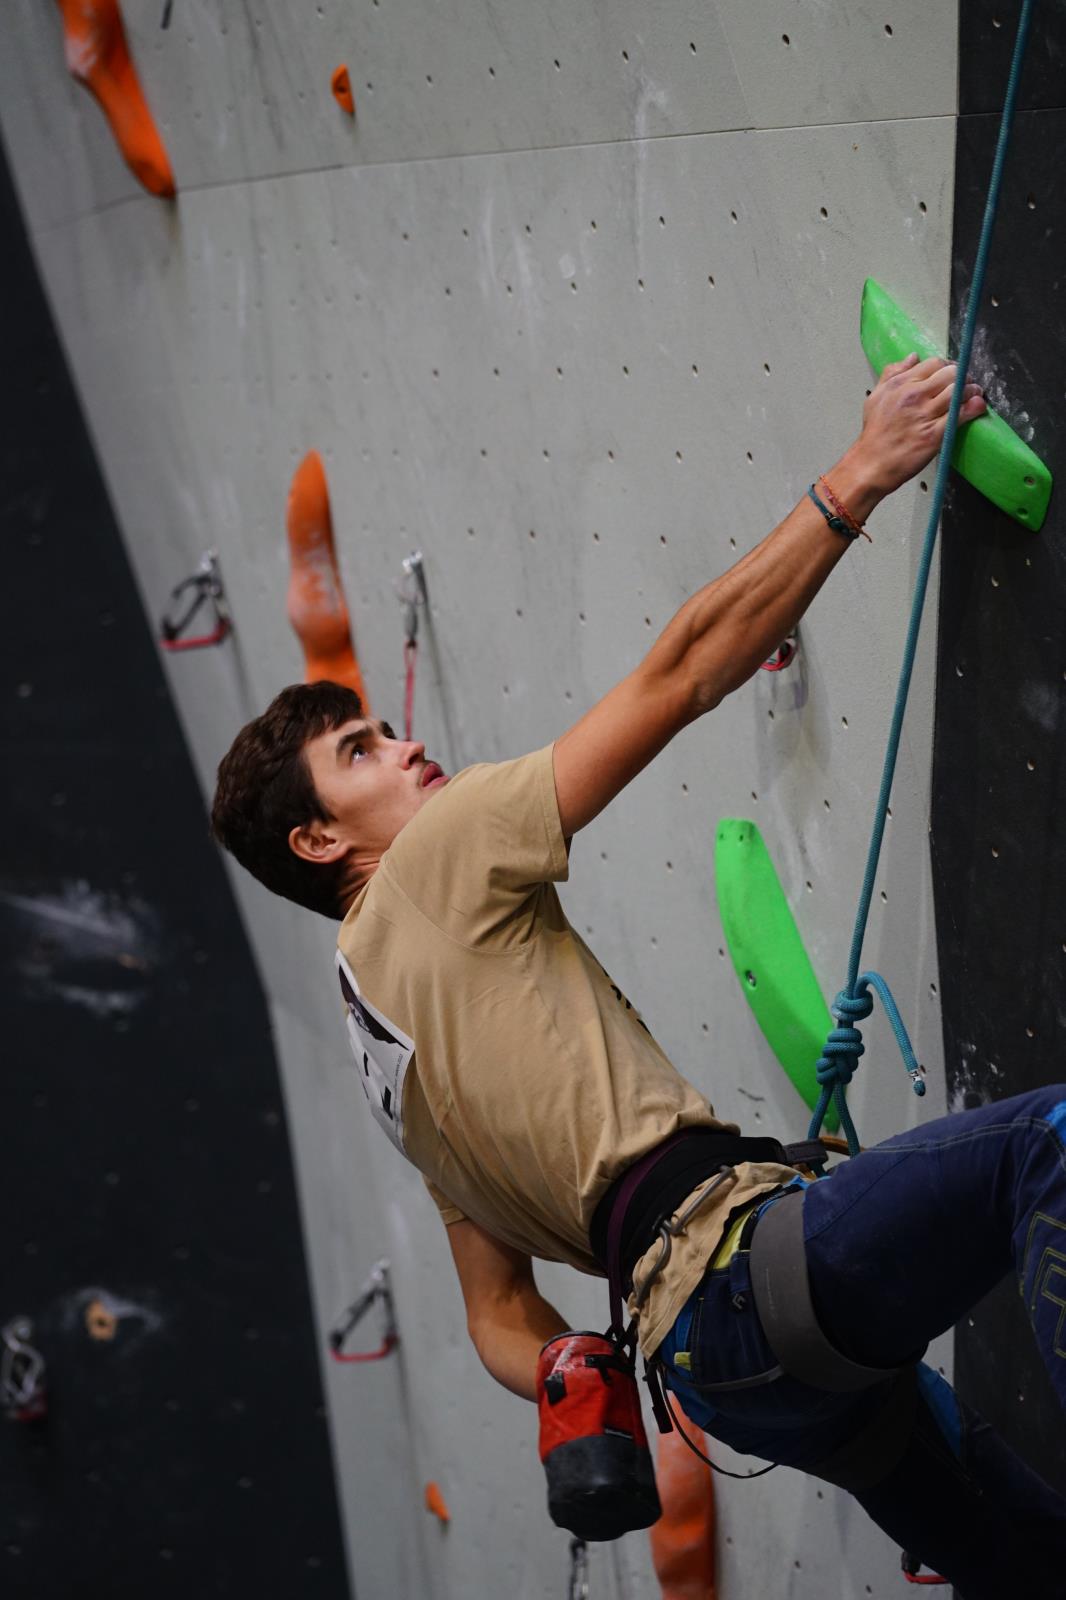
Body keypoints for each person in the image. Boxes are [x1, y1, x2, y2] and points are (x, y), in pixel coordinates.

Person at [211, 356, 1066, 1595]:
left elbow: (494, 1314)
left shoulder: (385, 1057)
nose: (407, 746)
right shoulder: (427, 865)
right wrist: (862, 471)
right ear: (317, 841)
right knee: (1044, 1148)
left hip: (725, 1379)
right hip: (746, 1275)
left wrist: (566, 1367)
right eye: (363, 751)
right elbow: (682, 673)